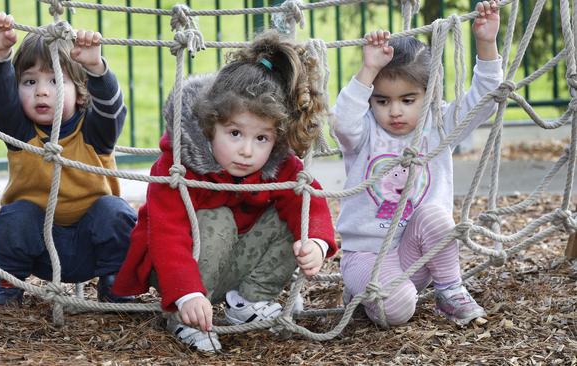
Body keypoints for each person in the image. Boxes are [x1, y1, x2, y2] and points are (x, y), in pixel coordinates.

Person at [111, 30, 338, 352]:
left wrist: (315, 240)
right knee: (218, 217)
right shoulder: (178, 167)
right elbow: (166, 234)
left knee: (295, 214)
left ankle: (248, 300)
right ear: (210, 124)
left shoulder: (277, 164)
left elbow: (309, 201)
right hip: (179, 272)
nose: (247, 150)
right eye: (234, 133)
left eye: (261, 138)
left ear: (276, 138)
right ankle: (184, 318)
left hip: (233, 263)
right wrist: (185, 293)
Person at [332, 1, 503, 326]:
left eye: (408, 100)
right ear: (371, 99)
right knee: (397, 311)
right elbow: (341, 122)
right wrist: (367, 70)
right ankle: (363, 293)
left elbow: (485, 100)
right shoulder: (364, 129)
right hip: (367, 254)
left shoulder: (438, 125)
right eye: (383, 100)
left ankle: (450, 290)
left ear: (429, 94)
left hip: (418, 253)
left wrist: (486, 43)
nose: (395, 111)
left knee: (436, 215)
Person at [0, 10, 136, 306]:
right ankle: (7, 283)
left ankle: (115, 281)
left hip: (92, 245)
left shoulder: (93, 132)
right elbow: (0, 106)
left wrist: (96, 69)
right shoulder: (21, 132)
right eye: (29, 82)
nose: (41, 91)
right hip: (38, 246)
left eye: (55, 81)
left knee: (116, 213)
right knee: (15, 216)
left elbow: (113, 113)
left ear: (80, 93)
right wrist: (0, 54)